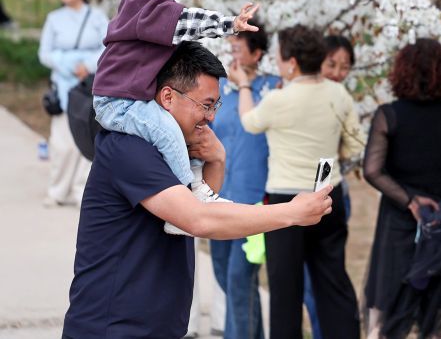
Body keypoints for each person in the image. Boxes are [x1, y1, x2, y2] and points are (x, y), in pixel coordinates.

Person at [63, 42, 334, 339]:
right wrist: (291, 213)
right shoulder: (129, 148)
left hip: (153, 327)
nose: (211, 117)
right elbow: (199, 219)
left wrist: (217, 159)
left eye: (215, 105)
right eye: (206, 105)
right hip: (111, 328)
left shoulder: (174, 149)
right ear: (168, 97)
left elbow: (197, 206)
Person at [91, 0, 259, 235]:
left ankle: (195, 186)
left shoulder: (150, 4)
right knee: (168, 131)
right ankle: (188, 202)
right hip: (119, 102)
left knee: (181, 134)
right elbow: (186, 22)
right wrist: (229, 24)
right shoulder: (145, 5)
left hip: (130, 98)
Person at [239, 25, 364, 339]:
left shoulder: (279, 99)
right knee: (333, 284)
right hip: (325, 194)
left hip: (285, 204)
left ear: (291, 62)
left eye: (280, 57)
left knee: (285, 292)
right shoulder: (338, 93)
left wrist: (243, 86)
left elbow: (249, 123)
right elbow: (356, 146)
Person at [363, 38, 441, 339]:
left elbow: (372, 171)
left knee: (390, 309)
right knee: (436, 314)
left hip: (399, 221)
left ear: (401, 72)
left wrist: (409, 201)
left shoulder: (388, 115)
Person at [210, 21, 279, 339]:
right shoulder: (218, 88)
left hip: (256, 202)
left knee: (240, 279)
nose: (232, 56)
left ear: (257, 54)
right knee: (226, 277)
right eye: (230, 49)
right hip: (219, 198)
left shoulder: (274, 89)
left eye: (239, 49)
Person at [302, 33, 359, 339]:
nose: (338, 72)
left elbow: (351, 152)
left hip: (329, 196)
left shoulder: (342, 103)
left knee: (324, 282)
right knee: (310, 283)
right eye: (331, 63)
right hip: (300, 197)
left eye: (345, 66)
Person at [37, 0, 109, 207]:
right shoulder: (54, 19)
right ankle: (58, 190)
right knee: (62, 143)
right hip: (64, 85)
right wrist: (70, 64)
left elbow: (108, 47)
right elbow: (44, 54)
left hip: (90, 84)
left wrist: (88, 64)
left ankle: (82, 191)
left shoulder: (97, 17)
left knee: (88, 139)